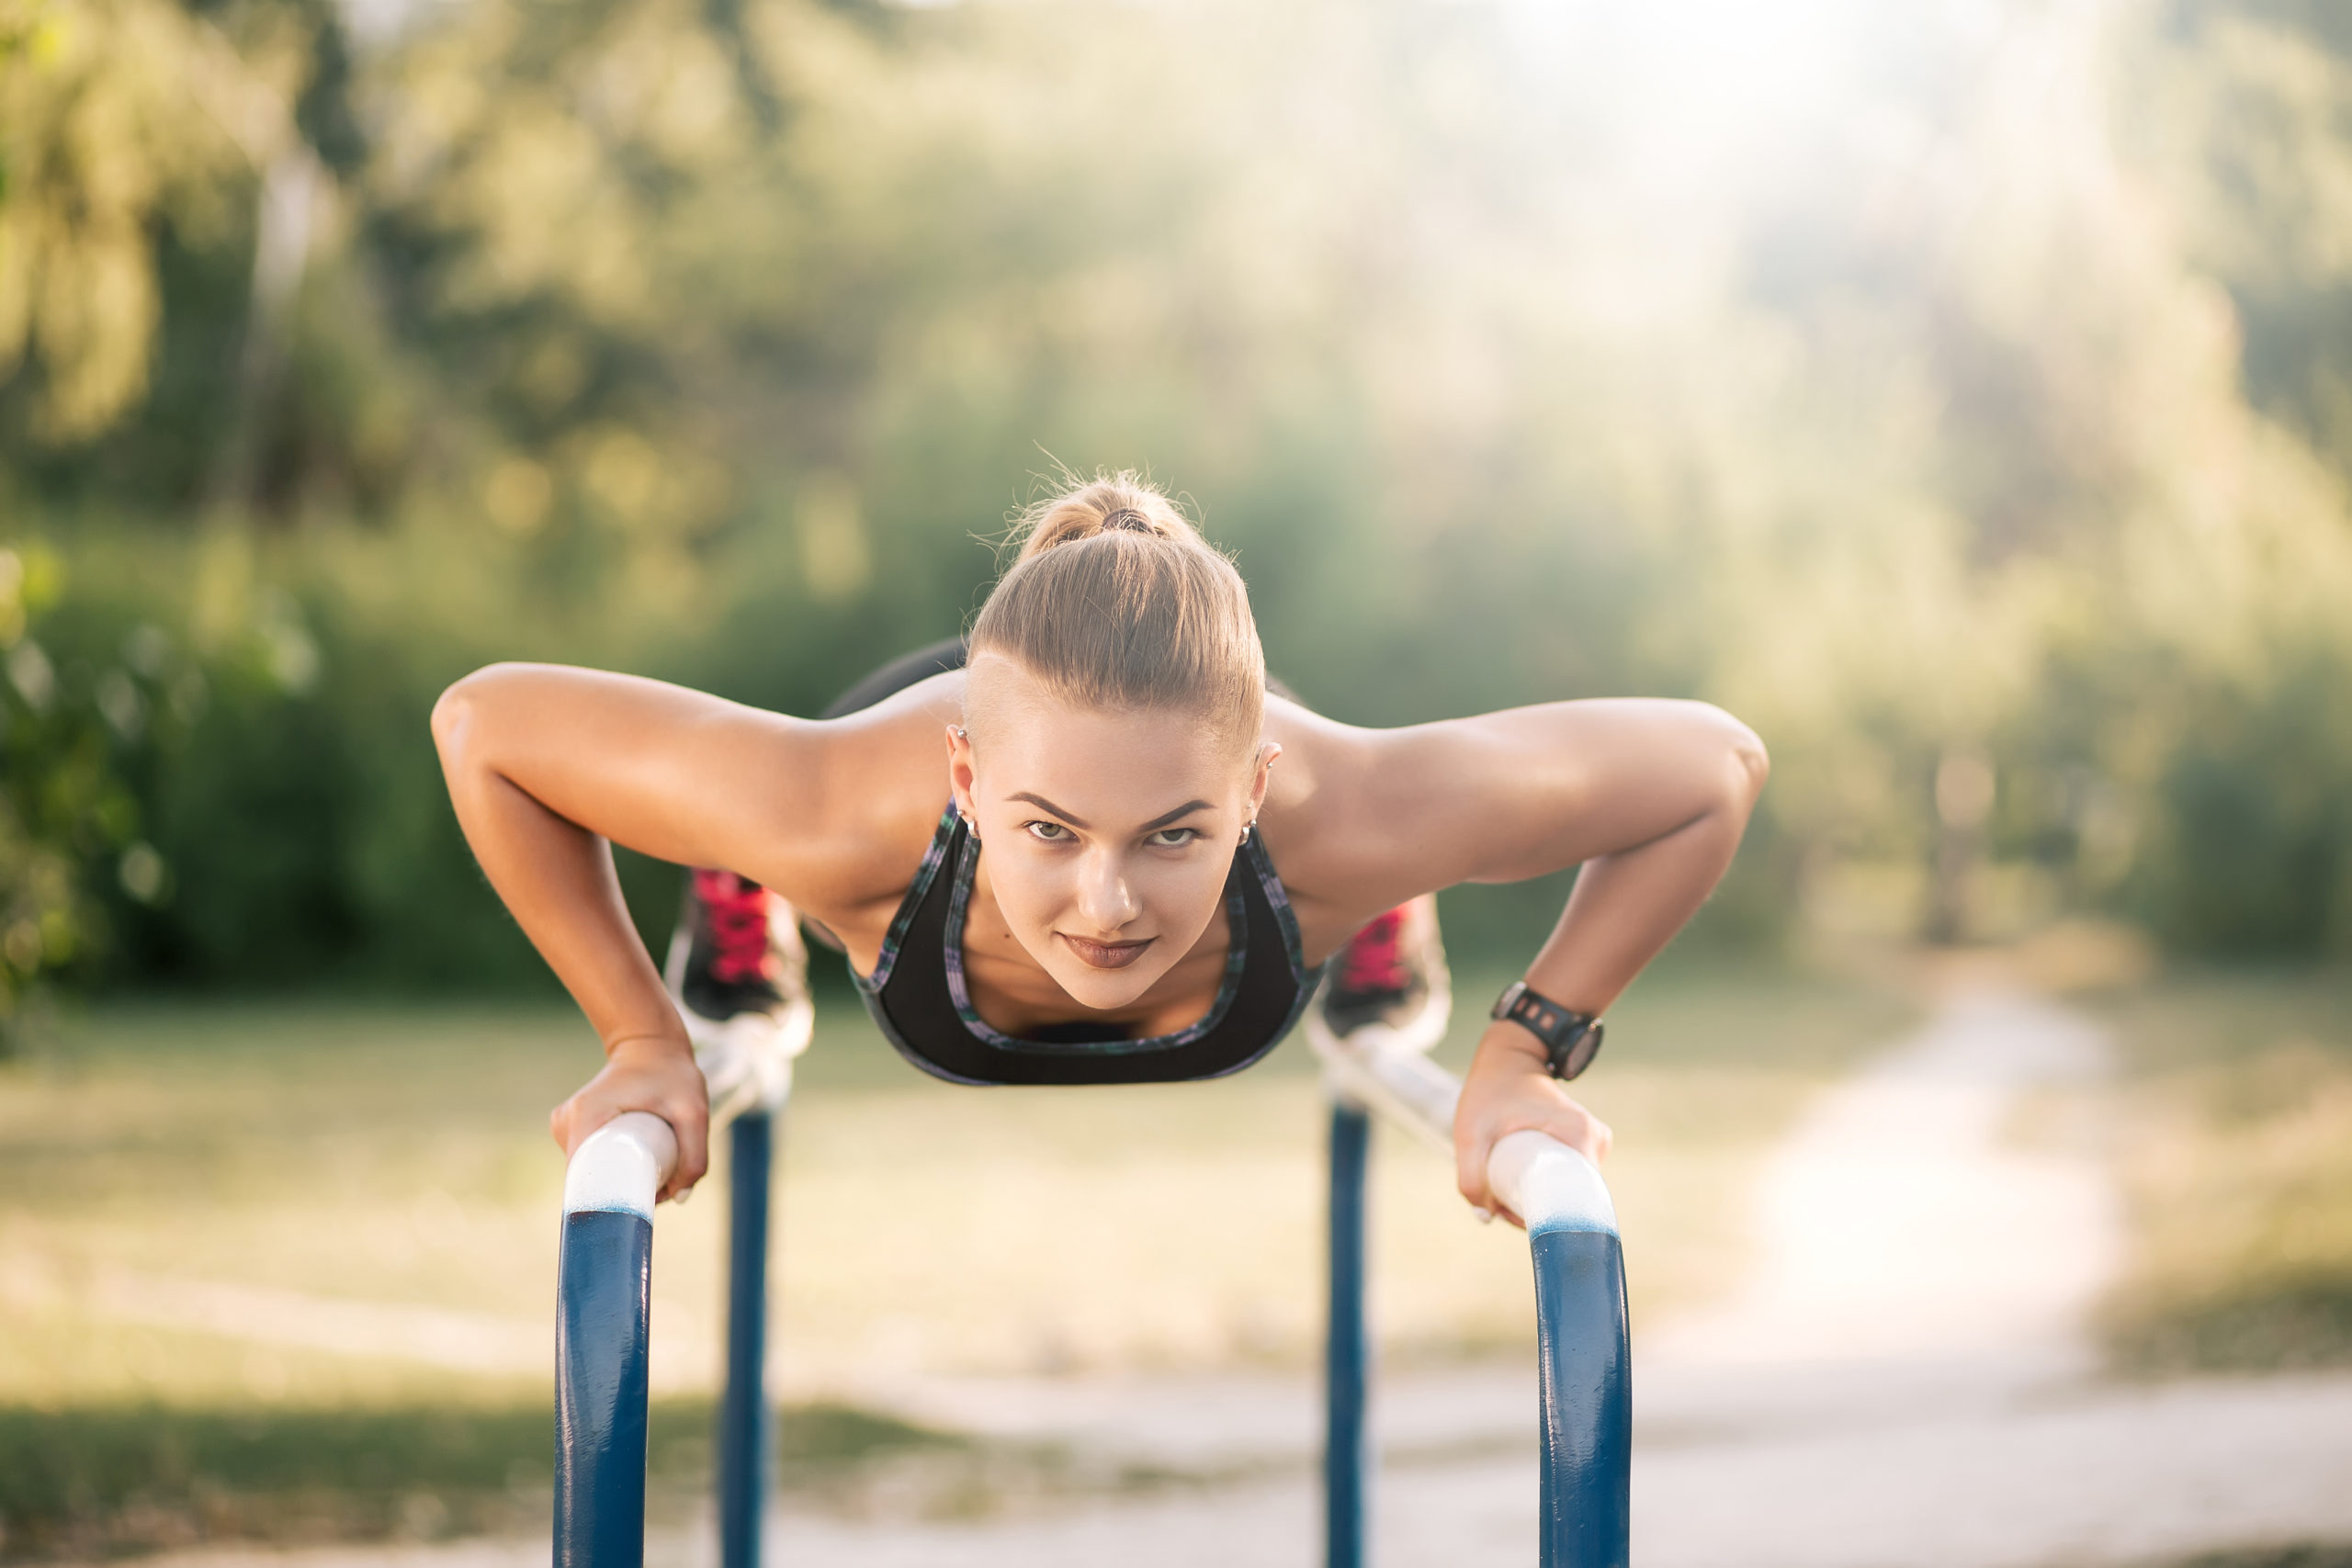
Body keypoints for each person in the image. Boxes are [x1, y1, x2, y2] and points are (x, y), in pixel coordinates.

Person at [431, 471, 1768, 1221]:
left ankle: (1373, 916)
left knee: (1349, 849)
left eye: (1175, 834)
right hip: (887, 812)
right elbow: (484, 726)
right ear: (969, 780)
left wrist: (1525, 1046)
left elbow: (1715, 766)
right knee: (771, 825)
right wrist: (641, 1039)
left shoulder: (1336, 807)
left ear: (1253, 791)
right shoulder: (845, 806)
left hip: (1292, 831)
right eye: (1052, 836)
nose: (1108, 901)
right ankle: (740, 895)